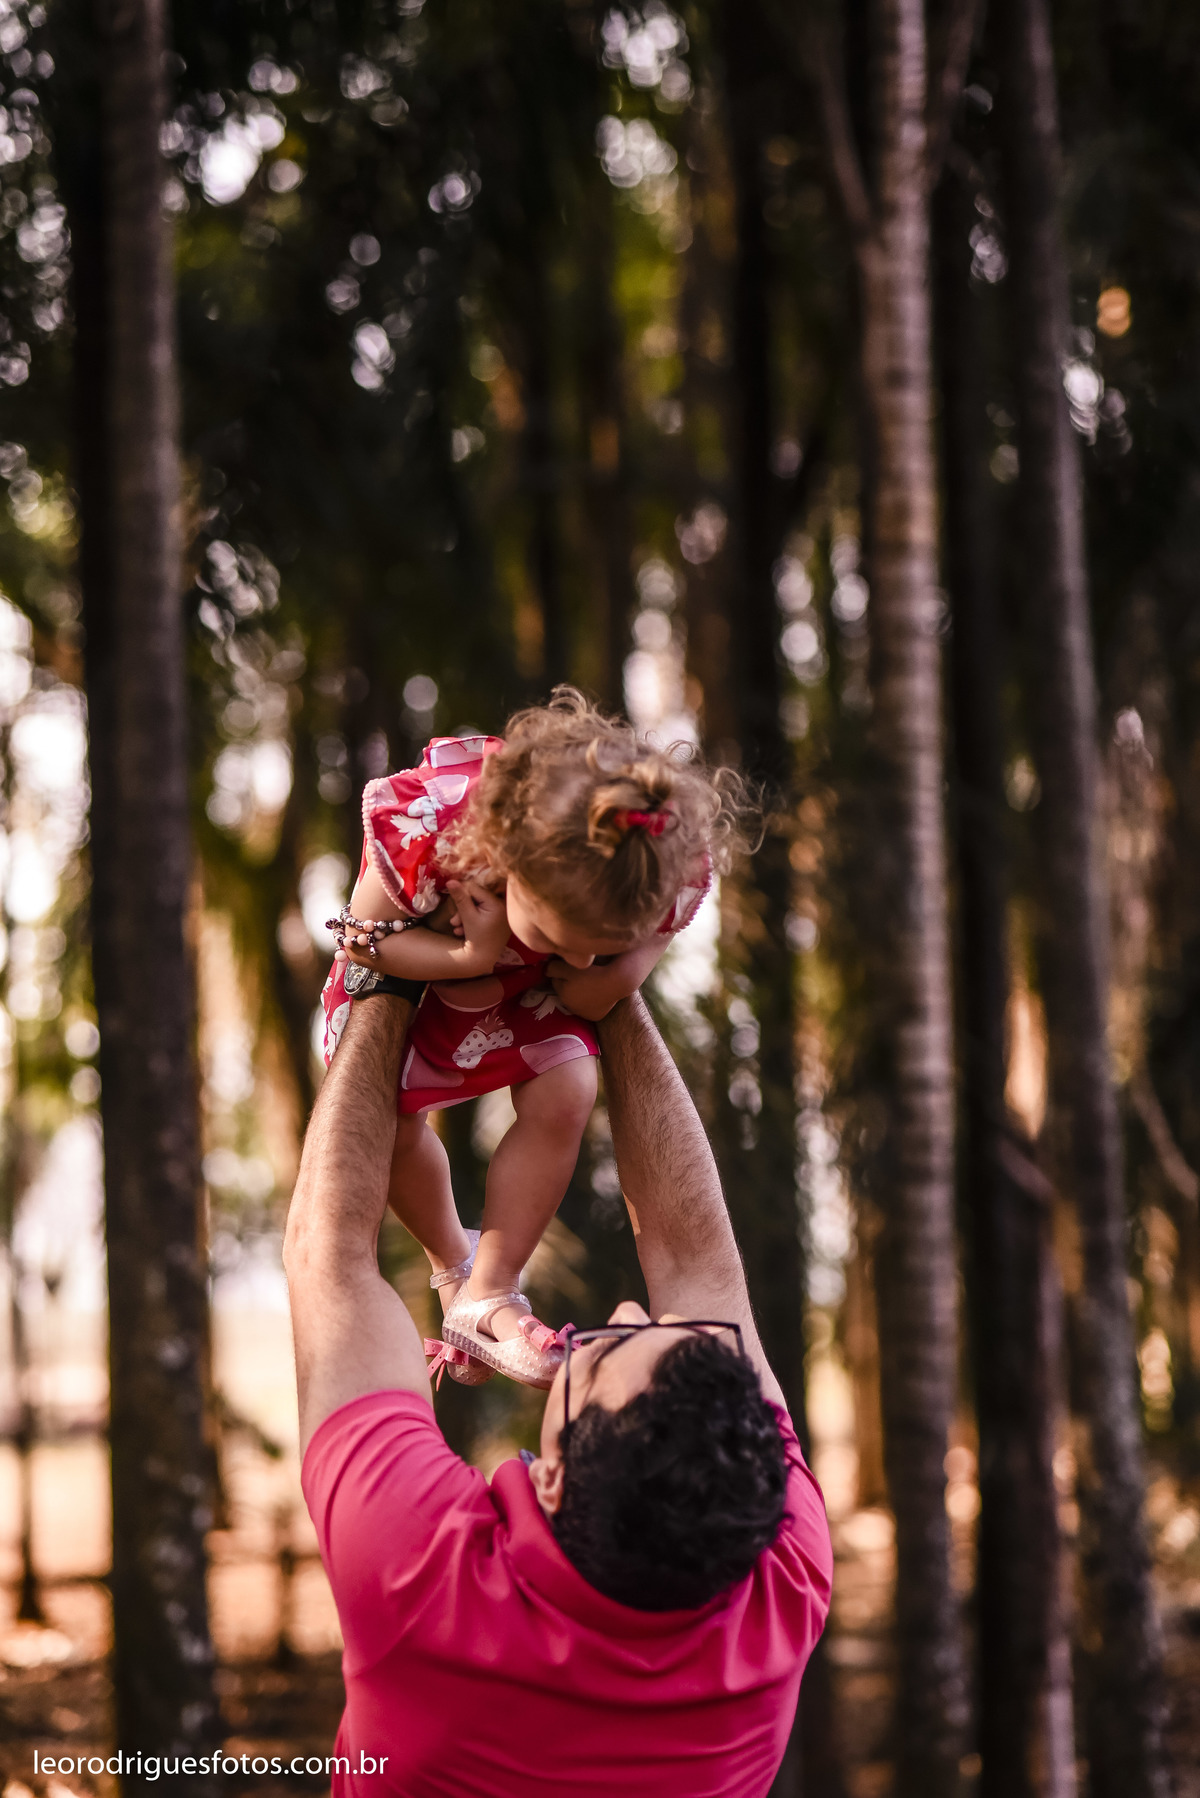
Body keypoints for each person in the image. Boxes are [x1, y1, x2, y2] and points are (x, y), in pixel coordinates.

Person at [284, 983, 833, 1798]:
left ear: (551, 1479)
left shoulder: (419, 1582)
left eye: (606, 1349)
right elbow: (696, 1262)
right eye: (663, 1329)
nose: (624, 1308)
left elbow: (330, 1255)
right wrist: (609, 982)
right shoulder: (777, 1580)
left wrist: (384, 969)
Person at [321, 687, 740, 1387]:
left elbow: (668, 918)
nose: (581, 959)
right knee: (387, 1127)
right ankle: (453, 1263)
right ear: (505, 856)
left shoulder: (649, 852)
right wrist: (467, 958)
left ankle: (493, 1287)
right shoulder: (433, 825)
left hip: (525, 991)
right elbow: (364, 942)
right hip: (420, 978)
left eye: (599, 946)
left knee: (570, 1087)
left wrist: (622, 972)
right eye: (558, 934)